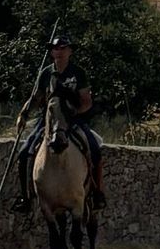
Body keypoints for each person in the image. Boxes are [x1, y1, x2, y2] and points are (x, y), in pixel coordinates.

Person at [12, 36, 105, 213]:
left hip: (73, 119)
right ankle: (25, 197)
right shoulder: (46, 73)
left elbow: (86, 101)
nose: (59, 52)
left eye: (63, 48)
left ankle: (97, 193)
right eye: (56, 48)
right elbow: (36, 98)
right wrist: (23, 114)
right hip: (48, 120)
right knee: (24, 153)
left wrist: (75, 112)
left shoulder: (78, 73)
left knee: (94, 149)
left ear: (70, 51)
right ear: (51, 52)